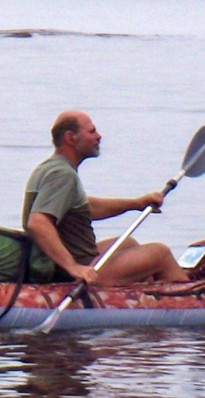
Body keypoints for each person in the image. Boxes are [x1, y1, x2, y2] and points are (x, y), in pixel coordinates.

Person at [23, 110, 189, 286]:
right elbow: (38, 222)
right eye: (92, 131)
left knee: (127, 243)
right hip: (76, 270)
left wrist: (136, 203)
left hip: (72, 261)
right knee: (160, 253)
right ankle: (188, 299)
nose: (99, 136)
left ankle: (149, 289)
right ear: (71, 138)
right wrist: (73, 267)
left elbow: (87, 207)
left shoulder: (49, 168)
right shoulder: (62, 174)